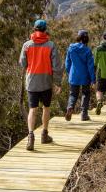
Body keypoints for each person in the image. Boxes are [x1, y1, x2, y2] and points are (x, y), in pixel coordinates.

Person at [19, 19, 62, 151]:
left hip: (31, 82)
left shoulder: (27, 45)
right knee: (46, 107)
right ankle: (44, 134)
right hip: (46, 82)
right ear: (45, 30)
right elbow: (57, 66)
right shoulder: (51, 45)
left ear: (34, 29)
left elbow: (22, 63)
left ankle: (31, 136)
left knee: (33, 109)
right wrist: (58, 82)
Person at [64, 29, 95, 121]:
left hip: (74, 75)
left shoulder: (71, 48)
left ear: (78, 37)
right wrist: (93, 79)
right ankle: (84, 114)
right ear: (86, 39)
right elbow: (90, 66)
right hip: (85, 76)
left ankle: (70, 107)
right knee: (85, 93)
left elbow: (67, 63)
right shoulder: (87, 51)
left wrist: (70, 73)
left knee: (73, 94)